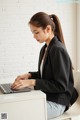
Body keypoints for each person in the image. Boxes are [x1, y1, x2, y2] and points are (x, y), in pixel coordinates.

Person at [11, 12, 78, 119]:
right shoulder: (45, 48)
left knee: (21, 112)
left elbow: (60, 85)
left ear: (48, 29)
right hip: (47, 97)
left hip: (57, 103)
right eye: (32, 33)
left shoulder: (57, 50)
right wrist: (29, 75)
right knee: (17, 106)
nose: (34, 36)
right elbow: (46, 74)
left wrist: (32, 82)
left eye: (36, 32)